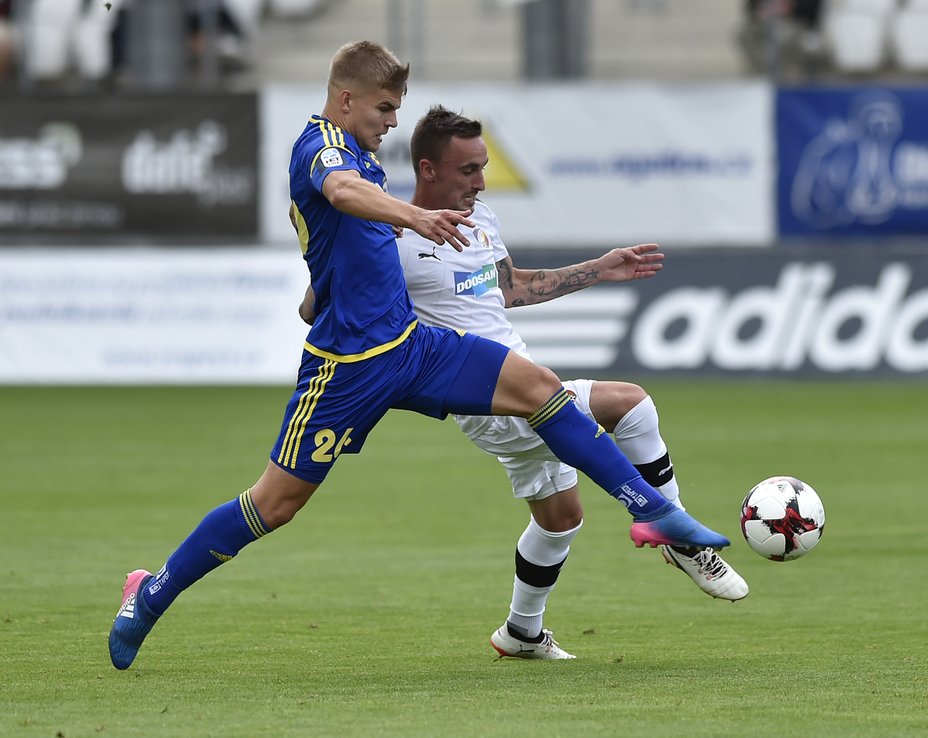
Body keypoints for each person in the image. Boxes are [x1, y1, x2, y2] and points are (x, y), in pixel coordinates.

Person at [107, 40, 730, 671]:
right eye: (383, 107)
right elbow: (341, 194)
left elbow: (354, 242)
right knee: (275, 505)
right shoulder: (318, 147)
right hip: (347, 368)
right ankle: (149, 594)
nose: (391, 121)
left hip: (411, 346)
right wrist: (409, 222)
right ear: (346, 98)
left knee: (542, 388)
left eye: (397, 108)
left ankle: (656, 513)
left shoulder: (370, 163)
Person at [301, 106, 749, 659]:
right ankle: (678, 535)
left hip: (526, 383)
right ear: (428, 169)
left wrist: (599, 269)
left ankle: (521, 634)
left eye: (483, 167)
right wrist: (326, 272)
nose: (481, 181)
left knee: (561, 520)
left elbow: (510, 290)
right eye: (467, 170)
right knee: (632, 406)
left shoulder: (481, 218)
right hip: (487, 400)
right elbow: (315, 307)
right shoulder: (386, 238)